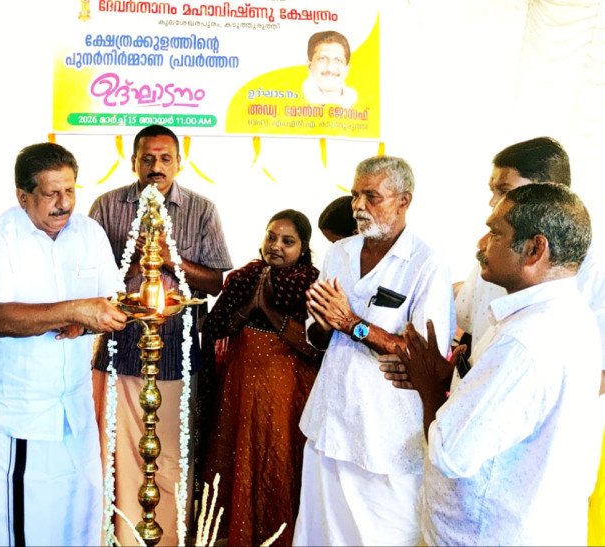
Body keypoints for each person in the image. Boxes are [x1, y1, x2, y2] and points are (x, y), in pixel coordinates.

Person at [385, 184, 600, 545]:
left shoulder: (526, 339)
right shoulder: (567, 315)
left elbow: (450, 454)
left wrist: (430, 387)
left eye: (496, 232)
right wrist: (451, 383)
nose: (481, 243)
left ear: (535, 249)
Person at [0, 142, 128, 546]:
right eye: (51, 193)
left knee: (78, 522)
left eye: (70, 190)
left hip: (74, 411)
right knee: (22, 529)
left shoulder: (89, 233)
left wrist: (86, 325)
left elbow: (112, 301)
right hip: (20, 417)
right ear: (23, 196)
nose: (64, 203)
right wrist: (73, 310)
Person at [449, 136, 605, 542]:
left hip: (529, 453)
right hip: (478, 429)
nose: (493, 203)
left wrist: (502, 395)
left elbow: (596, 374)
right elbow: (466, 320)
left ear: (549, 193)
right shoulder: (499, 251)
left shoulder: (590, 269)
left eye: (504, 189)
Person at [295, 155, 454, 546]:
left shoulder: (426, 264)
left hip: (386, 436)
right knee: (322, 535)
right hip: (330, 423)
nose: (358, 206)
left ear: (404, 201)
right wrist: (326, 325)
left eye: (372, 197)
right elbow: (317, 336)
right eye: (355, 195)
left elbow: (424, 356)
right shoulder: (339, 252)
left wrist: (352, 323)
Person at [88, 124, 233, 546]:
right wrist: (131, 264)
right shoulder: (107, 206)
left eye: (165, 158)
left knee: (170, 456)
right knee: (117, 453)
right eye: (147, 158)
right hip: (119, 350)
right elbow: (89, 277)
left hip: (176, 352)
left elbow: (216, 282)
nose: (156, 166)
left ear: (179, 163)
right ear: (133, 161)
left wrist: (173, 260)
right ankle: (119, 537)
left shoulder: (201, 209)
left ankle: (167, 539)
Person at [200, 209, 322, 546]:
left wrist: (268, 309)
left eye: (288, 241)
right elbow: (215, 327)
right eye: (271, 236)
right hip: (239, 383)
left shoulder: (311, 284)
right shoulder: (245, 277)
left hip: (285, 389)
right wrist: (248, 308)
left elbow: (314, 347)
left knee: (276, 459)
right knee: (238, 453)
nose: (276, 246)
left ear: (303, 247)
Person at [302, 30, 357, 108]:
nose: (330, 67)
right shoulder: (295, 101)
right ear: (309, 65)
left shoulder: (358, 103)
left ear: (347, 69)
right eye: (323, 58)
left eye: (338, 60)